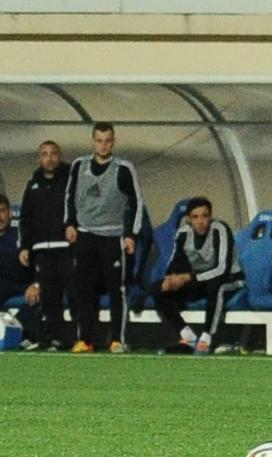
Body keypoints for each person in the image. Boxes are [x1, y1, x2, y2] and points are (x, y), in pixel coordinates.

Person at [64, 122, 144, 353]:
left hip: (112, 236)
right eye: (99, 140)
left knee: (116, 289)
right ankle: (85, 339)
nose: (103, 145)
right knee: (84, 289)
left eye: (107, 141)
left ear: (113, 141)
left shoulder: (123, 168)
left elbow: (136, 202)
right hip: (85, 235)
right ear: (93, 141)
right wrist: (69, 224)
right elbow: (69, 196)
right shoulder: (79, 165)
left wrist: (131, 235)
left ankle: (117, 339)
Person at [151, 196, 244, 355]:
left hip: (230, 279)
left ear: (210, 217)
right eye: (195, 217)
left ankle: (207, 339)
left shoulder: (220, 230)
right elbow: (175, 263)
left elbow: (222, 269)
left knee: (216, 287)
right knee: (157, 289)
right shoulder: (183, 233)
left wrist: (188, 278)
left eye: (204, 216)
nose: (200, 221)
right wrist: (170, 280)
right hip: (200, 280)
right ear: (188, 219)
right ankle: (188, 337)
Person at [18, 140, 73, 350]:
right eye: (44, 154)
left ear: (59, 156)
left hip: (67, 248)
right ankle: (54, 338)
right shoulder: (33, 185)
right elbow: (26, 218)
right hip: (42, 250)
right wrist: (25, 246)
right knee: (50, 297)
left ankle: (81, 338)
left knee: (75, 294)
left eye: (53, 154)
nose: (49, 158)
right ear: (39, 158)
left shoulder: (70, 181)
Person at [0, 194, 39, 344]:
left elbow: (40, 262)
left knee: (39, 298)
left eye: (2, 211)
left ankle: (21, 336)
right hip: (3, 286)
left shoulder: (22, 235)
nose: (0, 217)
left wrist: (36, 284)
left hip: (25, 285)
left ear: (10, 213)